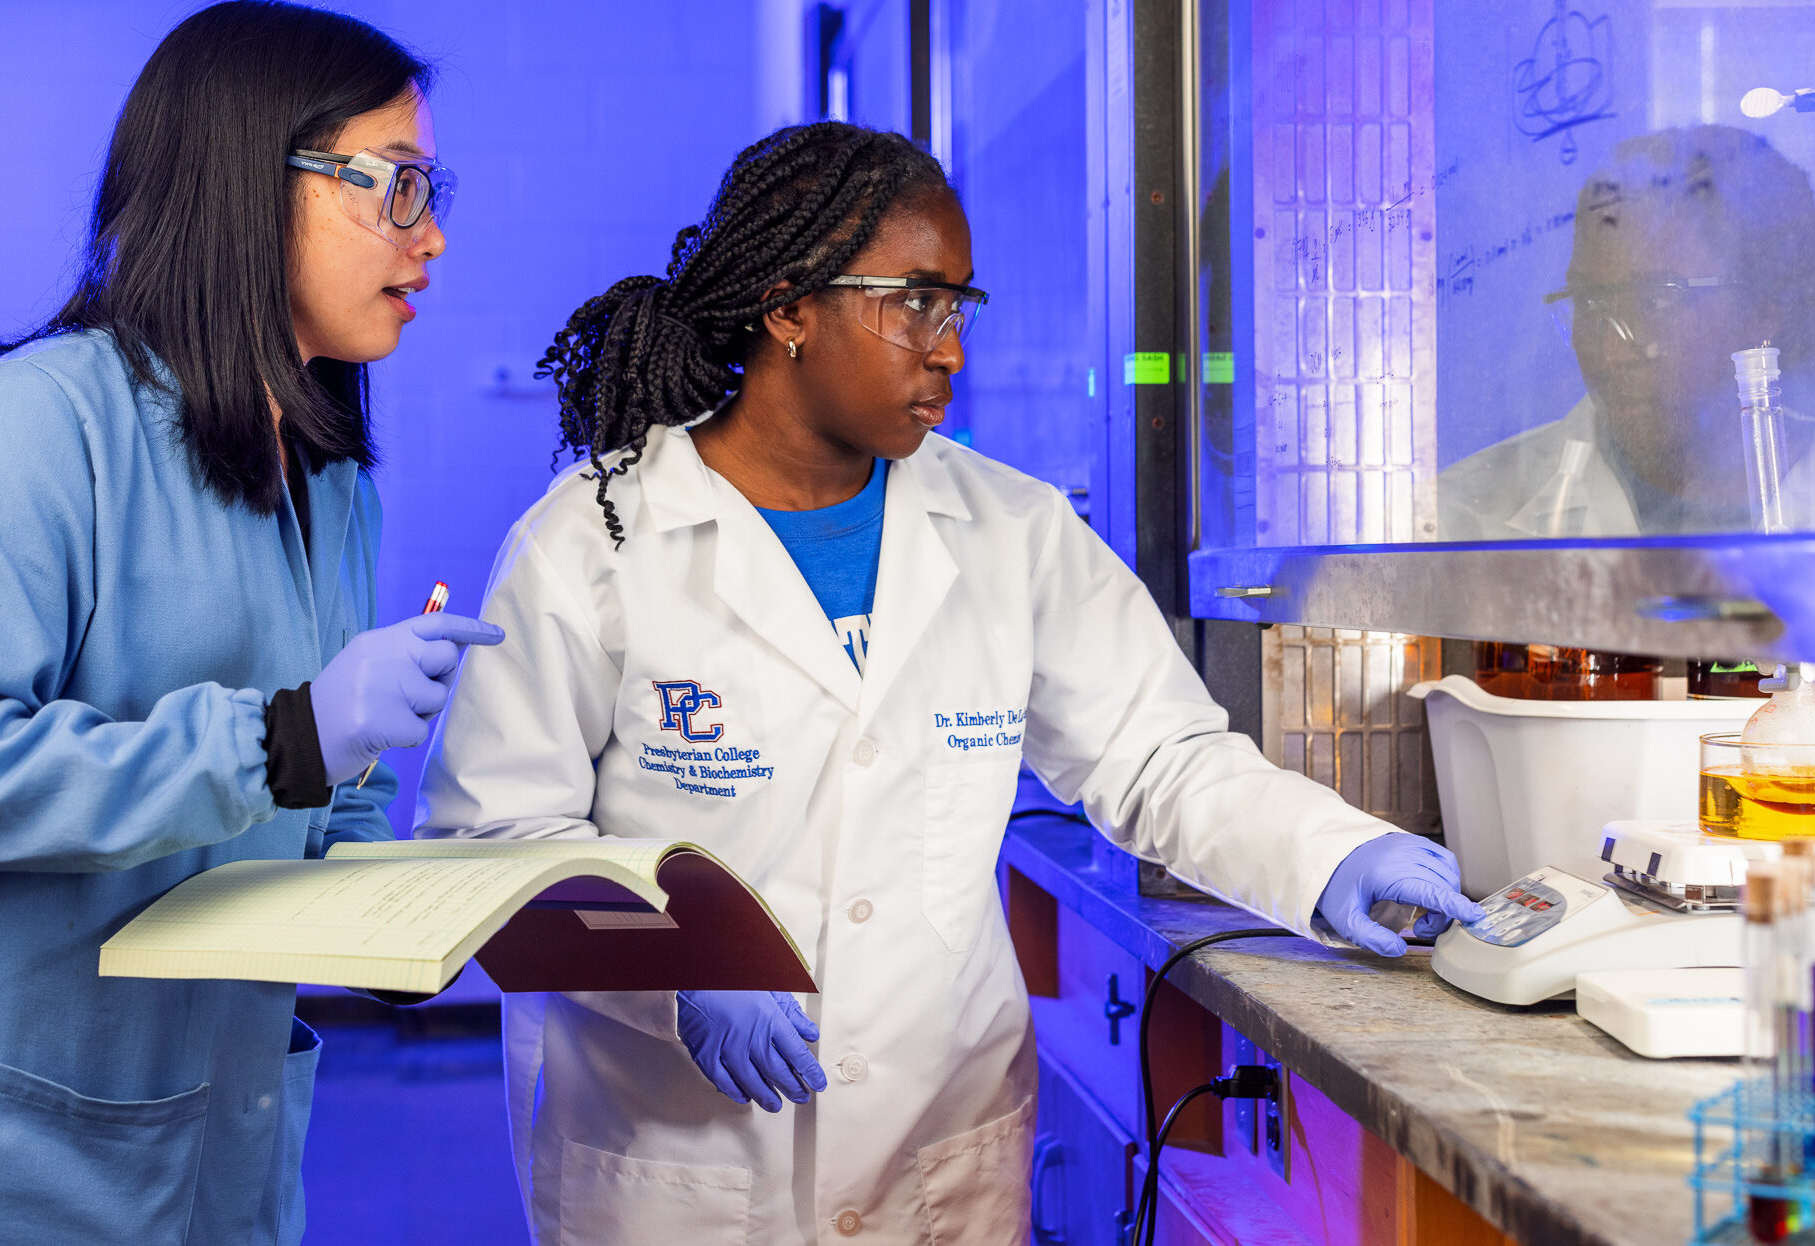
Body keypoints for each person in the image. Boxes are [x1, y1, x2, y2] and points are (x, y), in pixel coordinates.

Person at [417, 121, 1484, 1245]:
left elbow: (1158, 756)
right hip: (680, 1168)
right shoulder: (591, 544)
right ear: (787, 308)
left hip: (934, 1150)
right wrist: (677, 971)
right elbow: (490, 844)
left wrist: (1330, 854)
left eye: (958, 307)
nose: (950, 351)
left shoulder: (1010, 530)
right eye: (915, 303)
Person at [0, 5, 500, 1242]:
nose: (433, 235)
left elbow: (322, 797)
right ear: (252, 182)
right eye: (399, 185)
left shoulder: (331, 481)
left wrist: (417, 916)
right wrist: (284, 738)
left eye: (431, 190)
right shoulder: (29, 426)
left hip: (219, 1147)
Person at [1440, 124, 1815, 539]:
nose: (1611, 353)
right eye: (1589, 302)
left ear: (1762, 308)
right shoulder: (1460, 520)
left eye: (1657, 301)